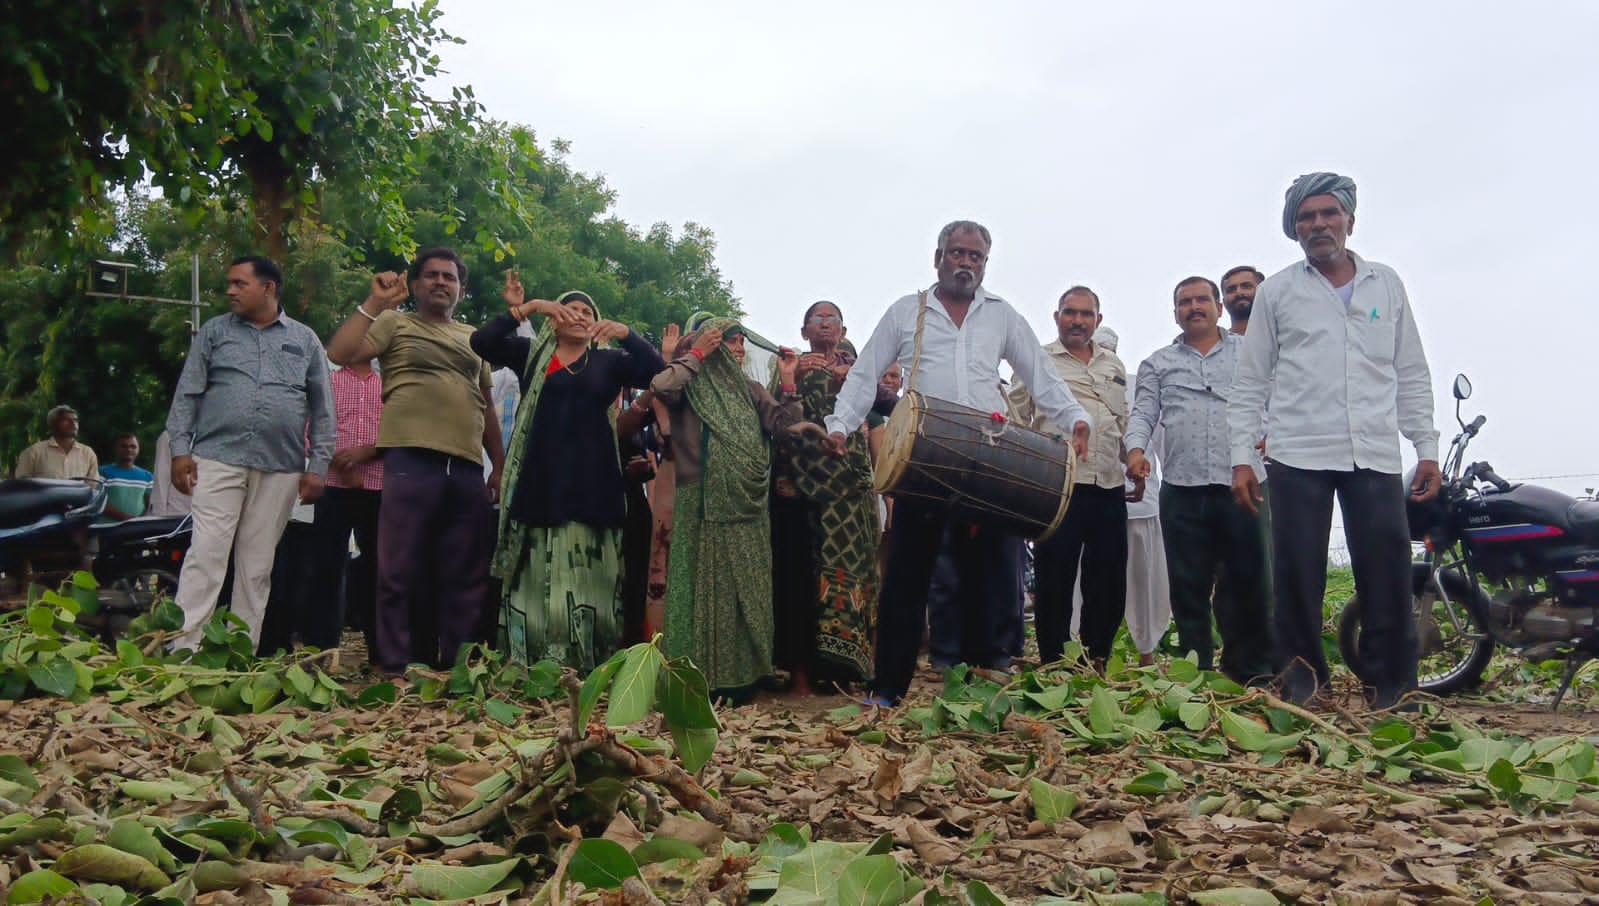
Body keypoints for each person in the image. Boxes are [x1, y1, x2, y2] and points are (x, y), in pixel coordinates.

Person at [822, 221, 1091, 705]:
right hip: (922, 456)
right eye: (957, 253)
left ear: (985, 264)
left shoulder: (1001, 315)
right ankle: (888, 688)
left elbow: (1040, 372)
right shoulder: (908, 311)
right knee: (907, 575)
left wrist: (1074, 417)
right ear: (938, 257)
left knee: (989, 572)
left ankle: (982, 679)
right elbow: (865, 373)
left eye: (976, 257)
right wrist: (840, 425)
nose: (966, 263)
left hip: (988, 457)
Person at [1228, 172, 1441, 710]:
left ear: (1349, 219)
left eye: (1328, 214)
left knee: (1387, 568)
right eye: (1307, 217)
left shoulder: (1384, 285)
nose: (1318, 224)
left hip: (1371, 449)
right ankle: (1304, 679)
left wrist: (1426, 447)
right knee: (1297, 570)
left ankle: (1392, 685)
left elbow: (1410, 370)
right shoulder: (1278, 290)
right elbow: (1251, 379)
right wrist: (1241, 457)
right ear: (1294, 227)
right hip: (1298, 449)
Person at [471, 277, 666, 671]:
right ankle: (531, 666)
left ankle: (588, 666)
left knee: (592, 577)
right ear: (554, 319)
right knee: (534, 577)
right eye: (570, 309)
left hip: (594, 485)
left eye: (588, 312)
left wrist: (627, 334)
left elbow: (656, 371)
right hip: (539, 483)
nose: (579, 315)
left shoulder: (609, 363)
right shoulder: (531, 354)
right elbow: (482, 343)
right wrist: (529, 307)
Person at [326, 248, 505, 676]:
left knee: (464, 571)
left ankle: (456, 665)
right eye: (432, 276)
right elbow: (341, 353)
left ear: (461, 289)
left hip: (464, 466)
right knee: (399, 567)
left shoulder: (474, 337)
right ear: (417, 284)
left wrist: (498, 464)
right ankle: (393, 665)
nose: (441, 282)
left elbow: (486, 404)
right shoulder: (394, 322)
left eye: (450, 277)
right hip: (410, 460)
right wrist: (373, 304)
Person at [164, 255, 335, 650]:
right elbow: (187, 393)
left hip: (281, 466)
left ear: (269, 288)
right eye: (230, 283)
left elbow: (324, 409)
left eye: (240, 283)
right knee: (206, 554)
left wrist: (319, 466)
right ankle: (184, 653)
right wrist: (179, 449)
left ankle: (237, 656)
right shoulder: (214, 332)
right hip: (217, 456)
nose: (230, 291)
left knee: (256, 566)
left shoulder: (305, 339)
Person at [1126, 278, 1276, 683]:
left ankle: (1253, 670)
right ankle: (1195, 672)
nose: (1194, 307)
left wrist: (1267, 433)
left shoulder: (1251, 353)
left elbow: (1274, 401)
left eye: (1201, 300)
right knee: (1187, 586)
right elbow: (1142, 414)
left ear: (1218, 307)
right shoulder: (1157, 363)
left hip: (1242, 483)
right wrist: (1136, 451)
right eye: (1184, 302)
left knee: (1251, 579)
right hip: (1183, 488)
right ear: (1175, 311)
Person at [652, 318, 800, 702]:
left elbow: (786, 429)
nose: (737, 347)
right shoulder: (689, 386)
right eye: (728, 340)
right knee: (697, 589)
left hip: (748, 505)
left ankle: (746, 677)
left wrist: (787, 383)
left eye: (740, 342)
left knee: (744, 592)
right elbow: (660, 386)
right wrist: (697, 353)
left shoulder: (750, 389)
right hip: (699, 504)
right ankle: (694, 679)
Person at [1009, 286, 1131, 668]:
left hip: (1109, 483)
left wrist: (1136, 464)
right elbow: (1015, 418)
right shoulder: (1037, 361)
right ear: (1057, 317)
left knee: (1109, 580)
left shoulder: (1113, 367)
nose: (1077, 320)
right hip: (1058, 486)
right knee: (1054, 579)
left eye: (1085, 314)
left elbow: (1120, 423)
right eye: (1069, 312)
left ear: (1098, 319)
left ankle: (1097, 657)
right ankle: (1055, 662)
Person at [770, 301, 879, 694]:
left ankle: (848, 673)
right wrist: (793, 376)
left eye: (832, 318)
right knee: (802, 579)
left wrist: (853, 378)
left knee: (854, 579)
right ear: (804, 332)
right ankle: (800, 676)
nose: (826, 324)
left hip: (850, 494)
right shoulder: (790, 368)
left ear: (844, 329)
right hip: (803, 490)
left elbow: (881, 406)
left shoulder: (856, 371)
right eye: (817, 319)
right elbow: (778, 421)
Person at [302, 357, 385, 656]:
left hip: (378, 486)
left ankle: (380, 650)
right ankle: (321, 649)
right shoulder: (330, 380)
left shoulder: (389, 381)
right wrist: (339, 461)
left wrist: (365, 454)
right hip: (333, 487)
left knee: (379, 567)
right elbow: (312, 428)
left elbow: (399, 432)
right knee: (326, 566)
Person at [15, 405, 98, 480]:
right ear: (53, 425)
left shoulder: (87, 453)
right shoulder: (34, 452)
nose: (73, 424)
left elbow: (93, 487)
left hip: (79, 497)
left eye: (76, 420)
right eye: (66, 420)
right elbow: (22, 486)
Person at [98, 433, 152, 521]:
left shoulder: (147, 477)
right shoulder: (102, 472)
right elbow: (98, 502)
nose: (129, 449)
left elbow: (151, 505)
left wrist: (140, 522)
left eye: (133, 446)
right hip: (107, 528)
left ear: (138, 449)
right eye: (123, 446)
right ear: (115, 448)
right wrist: (127, 519)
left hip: (137, 530)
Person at [1220, 266, 1265, 336]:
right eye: (1231, 290)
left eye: (1247, 286)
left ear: (1263, 292)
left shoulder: (1281, 335)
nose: (1239, 293)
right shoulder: (1216, 343)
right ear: (1224, 302)